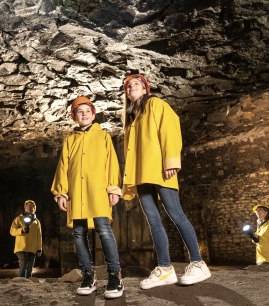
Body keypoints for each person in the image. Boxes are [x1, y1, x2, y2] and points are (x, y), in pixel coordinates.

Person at [122, 74, 211, 289]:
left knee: (176, 214)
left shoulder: (155, 104)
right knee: (153, 220)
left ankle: (198, 264)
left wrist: (171, 160)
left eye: (137, 84)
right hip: (142, 174)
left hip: (160, 169)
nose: (132, 87)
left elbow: (170, 127)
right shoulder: (132, 118)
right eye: (128, 86)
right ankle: (165, 269)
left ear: (145, 90)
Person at [51, 96, 124, 299]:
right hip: (76, 193)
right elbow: (63, 167)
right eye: (79, 111)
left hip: (97, 191)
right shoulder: (70, 140)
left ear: (93, 114)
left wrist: (113, 189)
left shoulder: (103, 136)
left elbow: (112, 163)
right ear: (74, 116)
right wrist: (61, 192)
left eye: (87, 110)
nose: (84, 114)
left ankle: (114, 276)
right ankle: (88, 276)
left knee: (104, 230)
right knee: (78, 233)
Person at [10, 200, 42, 278]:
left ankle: (28, 283)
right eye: (27, 206)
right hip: (21, 247)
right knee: (23, 264)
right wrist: (21, 230)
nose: (29, 207)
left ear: (34, 208)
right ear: (25, 207)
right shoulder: (19, 219)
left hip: (32, 248)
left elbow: (39, 236)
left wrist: (39, 248)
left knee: (29, 267)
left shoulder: (37, 222)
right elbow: (12, 231)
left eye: (31, 206)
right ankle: (20, 282)